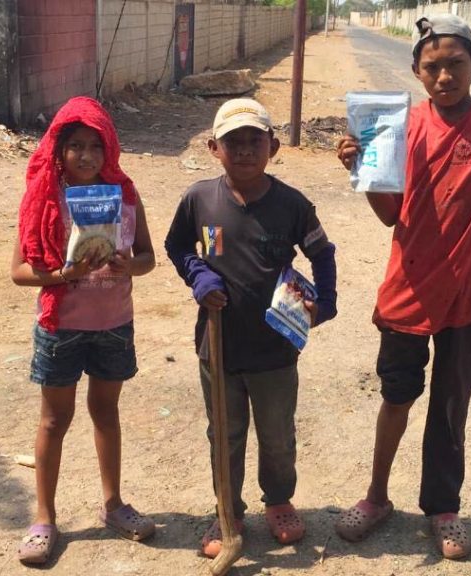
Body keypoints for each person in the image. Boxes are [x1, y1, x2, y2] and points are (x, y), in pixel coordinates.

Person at [334, 14, 471, 560]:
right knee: (396, 396)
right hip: (409, 288)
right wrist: (363, 171)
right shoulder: (399, 127)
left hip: (467, 295)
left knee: (451, 405)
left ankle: (443, 507)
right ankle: (377, 496)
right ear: (417, 72)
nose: (444, 75)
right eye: (432, 67)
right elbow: (388, 215)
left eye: (455, 64)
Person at [165, 98, 338, 558]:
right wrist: (198, 275)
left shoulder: (292, 205)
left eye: (253, 141)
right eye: (232, 142)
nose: (244, 150)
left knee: (277, 434)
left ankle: (278, 500)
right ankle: (229, 511)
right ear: (213, 147)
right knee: (224, 433)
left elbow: (322, 252)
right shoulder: (199, 199)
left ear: (273, 147)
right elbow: (177, 245)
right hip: (218, 346)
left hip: (277, 348)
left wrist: (326, 301)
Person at [12, 96, 157, 565]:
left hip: (113, 323)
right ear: (59, 149)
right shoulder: (42, 198)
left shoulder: (125, 195)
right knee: (54, 420)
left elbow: (149, 259)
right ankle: (44, 518)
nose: (87, 156)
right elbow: (18, 271)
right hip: (62, 326)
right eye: (76, 146)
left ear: (109, 148)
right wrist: (62, 276)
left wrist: (127, 264)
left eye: (96, 146)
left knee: (106, 414)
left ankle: (113, 505)